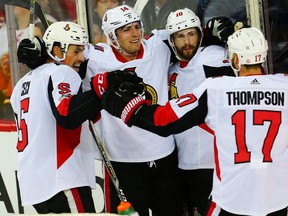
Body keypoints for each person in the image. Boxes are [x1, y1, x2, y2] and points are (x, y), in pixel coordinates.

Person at [102, 27, 288, 216]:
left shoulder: (217, 88)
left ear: (236, 59)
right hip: (279, 200)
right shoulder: (285, 85)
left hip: (231, 201)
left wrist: (124, 105)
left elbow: (163, 121)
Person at [81, 5, 183, 216]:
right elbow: (65, 58)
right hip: (122, 163)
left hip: (164, 156)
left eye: (137, 27)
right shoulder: (95, 59)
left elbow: (187, 33)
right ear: (112, 36)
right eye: (127, 29)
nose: (135, 34)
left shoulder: (158, 46)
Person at [10, 21, 118, 214]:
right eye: (76, 51)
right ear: (57, 51)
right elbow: (67, 115)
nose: (82, 58)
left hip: (33, 185)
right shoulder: (62, 72)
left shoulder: (20, 85)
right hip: (62, 178)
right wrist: (101, 91)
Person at [165, 8, 234, 215]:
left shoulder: (211, 56)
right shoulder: (170, 69)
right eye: (180, 36)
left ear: (200, 34)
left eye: (191, 34)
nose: (187, 42)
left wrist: (228, 39)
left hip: (211, 162)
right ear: (172, 40)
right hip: (182, 162)